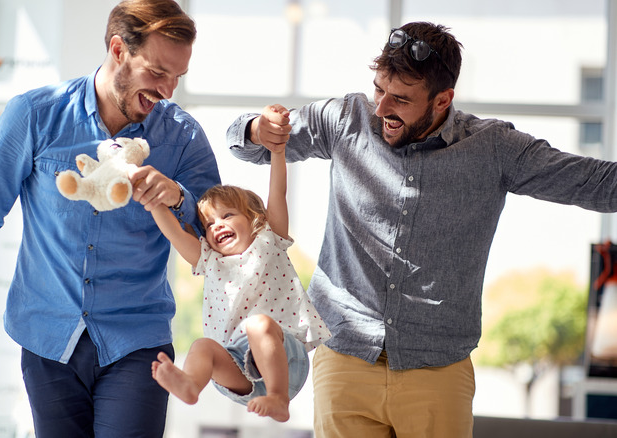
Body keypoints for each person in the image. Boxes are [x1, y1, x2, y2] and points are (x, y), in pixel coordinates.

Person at [226, 21, 617, 438]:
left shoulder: (495, 149)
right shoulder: (346, 119)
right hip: (344, 360)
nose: (381, 108)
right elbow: (245, 142)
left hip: (437, 371)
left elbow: (595, 183)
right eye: (378, 89)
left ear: (442, 99)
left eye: (400, 99)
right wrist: (257, 128)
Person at [0, 1, 220, 436]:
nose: (168, 90)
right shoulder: (35, 115)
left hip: (137, 341)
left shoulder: (183, 138)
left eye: (177, 78)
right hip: (46, 338)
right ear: (117, 50)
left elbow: (217, 238)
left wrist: (180, 198)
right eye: (157, 72)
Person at [149, 106, 331, 422]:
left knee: (257, 324)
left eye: (227, 215)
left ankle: (278, 399)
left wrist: (277, 152)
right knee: (203, 346)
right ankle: (191, 384)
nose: (217, 225)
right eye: (209, 224)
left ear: (254, 219)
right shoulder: (210, 260)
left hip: (284, 356)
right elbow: (176, 234)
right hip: (236, 365)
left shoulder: (270, 238)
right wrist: (153, 203)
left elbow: (278, 191)